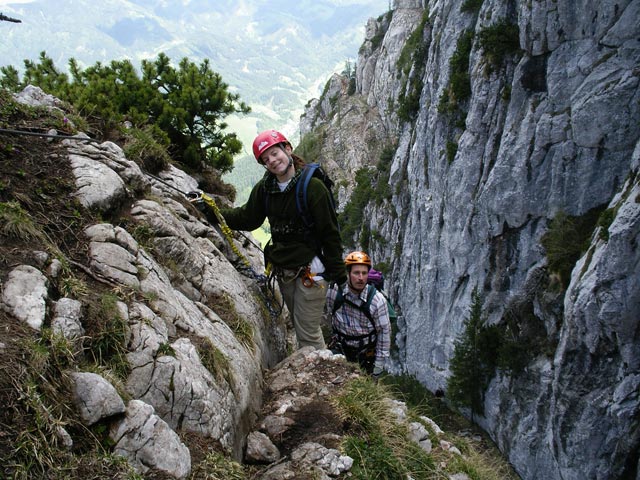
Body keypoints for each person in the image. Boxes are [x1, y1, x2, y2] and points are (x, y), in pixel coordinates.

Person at [194, 129, 346, 350]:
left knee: (308, 333)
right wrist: (212, 211)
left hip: (312, 273)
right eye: (266, 159)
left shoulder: (313, 188)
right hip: (285, 271)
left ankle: (323, 375)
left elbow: (330, 234)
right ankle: (315, 367)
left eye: (275, 153)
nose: (273, 161)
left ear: (288, 149)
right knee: (299, 324)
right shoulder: (266, 189)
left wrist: (340, 278)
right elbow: (247, 218)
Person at [326, 251, 391, 377]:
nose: (361, 278)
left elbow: (384, 333)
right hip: (340, 348)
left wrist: (378, 365)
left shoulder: (377, 301)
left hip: (366, 354)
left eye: (364, 273)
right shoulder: (334, 291)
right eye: (356, 273)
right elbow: (328, 314)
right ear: (348, 274)